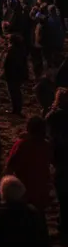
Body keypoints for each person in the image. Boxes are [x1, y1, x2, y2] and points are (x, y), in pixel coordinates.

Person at [5, 114, 53, 213]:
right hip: (41, 188)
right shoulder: (46, 145)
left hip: (24, 189)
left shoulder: (22, 145)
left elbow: (10, 167)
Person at [47, 86, 68, 234]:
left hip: (60, 158)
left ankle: (63, 223)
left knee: (62, 193)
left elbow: (48, 135)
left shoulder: (53, 116)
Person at [2, 32, 28, 115]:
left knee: (13, 92)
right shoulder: (22, 50)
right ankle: (18, 109)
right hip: (19, 74)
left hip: (11, 74)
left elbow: (6, 64)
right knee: (17, 92)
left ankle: (15, 109)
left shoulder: (11, 51)